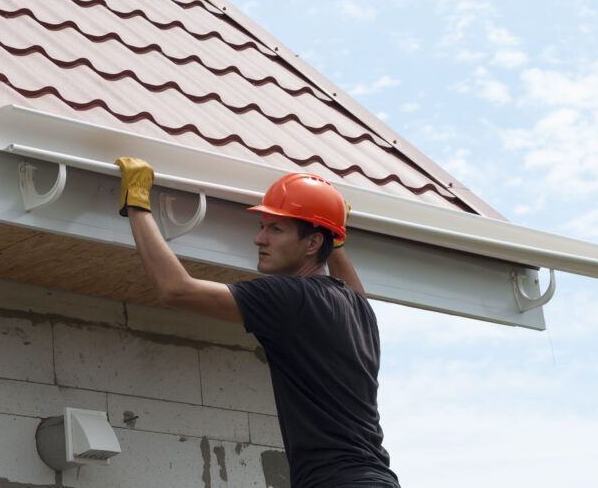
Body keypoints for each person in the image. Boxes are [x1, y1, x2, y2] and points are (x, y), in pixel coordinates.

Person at [115, 157, 400, 488]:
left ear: (312, 243)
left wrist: (137, 204)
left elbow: (177, 291)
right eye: (262, 226)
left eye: (275, 229)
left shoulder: (290, 297)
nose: (259, 239)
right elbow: (340, 265)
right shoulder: (358, 308)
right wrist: (331, 230)